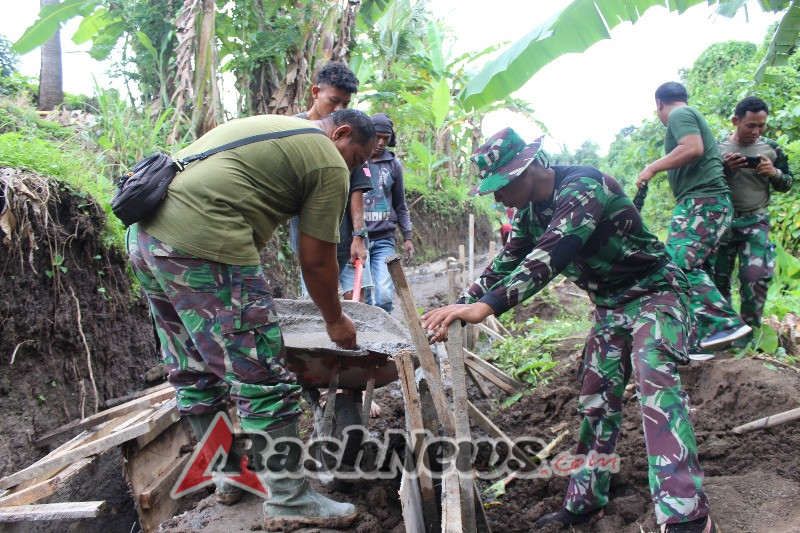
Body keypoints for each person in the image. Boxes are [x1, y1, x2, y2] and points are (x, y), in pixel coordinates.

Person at [422, 128, 715, 533]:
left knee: (655, 382)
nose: (497, 197)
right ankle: (584, 503)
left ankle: (687, 515)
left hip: (655, 294)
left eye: (503, 185)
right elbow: (508, 261)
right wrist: (466, 299)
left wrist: (486, 307)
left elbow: (552, 254)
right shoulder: (527, 214)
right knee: (596, 398)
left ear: (530, 167)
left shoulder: (583, 185)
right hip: (610, 307)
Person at [127, 110, 376, 530]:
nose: (352, 170)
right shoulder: (328, 160)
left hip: (145, 237)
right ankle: (289, 498)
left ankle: (228, 475)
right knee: (261, 373)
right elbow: (315, 259)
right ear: (342, 133)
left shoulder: (274, 126)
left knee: (193, 371)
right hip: (203, 243)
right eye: (356, 159)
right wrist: (335, 320)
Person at [637, 82, 750, 352]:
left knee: (677, 265)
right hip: (707, 203)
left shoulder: (678, 114)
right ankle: (705, 341)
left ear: (659, 104)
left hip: (702, 203)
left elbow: (693, 148)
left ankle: (723, 323)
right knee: (697, 269)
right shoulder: (685, 114)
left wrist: (651, 168)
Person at [289, 60, 374, 300]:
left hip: (347, 238)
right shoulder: (294, 129)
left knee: (359, 305)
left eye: (345, 103)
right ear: (315, 93)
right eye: (334, 101)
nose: (339, 109)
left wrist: (359, 236)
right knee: (318, 309)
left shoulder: (351, 131)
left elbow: (356, 188)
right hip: (310, 239)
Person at [714, 96, 794, 332]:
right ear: (735, 121)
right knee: (718, 280)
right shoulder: (717, 148)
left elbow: (787, 183)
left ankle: (750, 332)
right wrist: (726, 171)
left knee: (755, 277)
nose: (756, 131)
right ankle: (725, 330)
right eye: (751, 125)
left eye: (762, 125)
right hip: (723, 221)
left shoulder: (772, 148)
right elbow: (705, 184)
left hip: (756, 220)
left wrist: (774, 173)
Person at [363, 113, 414, 313]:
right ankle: (367, 340)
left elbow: (401, 205)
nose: (381, 142)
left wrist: (407, 237)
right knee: (364, 298)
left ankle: (386, 340)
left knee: (384, 294)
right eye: (377, 137)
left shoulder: (393, 164)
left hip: (385, 238)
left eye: (386, 138)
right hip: (359, 240)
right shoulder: (356, 160)